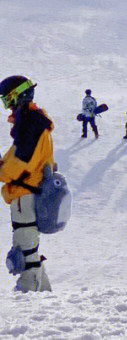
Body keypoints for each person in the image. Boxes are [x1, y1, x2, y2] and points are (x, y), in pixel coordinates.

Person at [0, 75, 55, 291]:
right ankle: (43, 295)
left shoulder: (30, 123)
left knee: (24, 248)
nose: (7, 105)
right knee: (30, 248)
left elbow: (20, 163)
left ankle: (28, 294)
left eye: (7, 99)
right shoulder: (34, 121)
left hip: (25, 195)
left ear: (17, 96)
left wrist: (2, 170)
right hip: (31, 192)